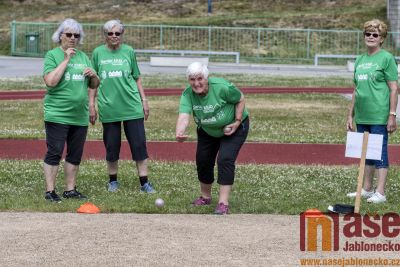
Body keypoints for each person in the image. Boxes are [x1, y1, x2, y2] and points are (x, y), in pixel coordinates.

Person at [176, 62, 249, 215]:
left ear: (206, 78)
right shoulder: (187, 94)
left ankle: (223, 203)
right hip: (207, 130)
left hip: (233, 128)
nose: (196, 83)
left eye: (200, 78)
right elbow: (184, 115)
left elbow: (240, 98)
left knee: (225, 159)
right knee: (203, 160)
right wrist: (180, 132)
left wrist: (237, 121)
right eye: (192, 79)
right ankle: (205, 197)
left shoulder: (221, 87)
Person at [90, 20, 155, 193]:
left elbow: (137, 77)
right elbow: (93, 81)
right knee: (112, 146)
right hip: (109, 107)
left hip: (132, 107)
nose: (113, 36)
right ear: (105, 35)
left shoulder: (129, 51)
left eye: (117, 33)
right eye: (110, 33)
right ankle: (112, 181)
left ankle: (144, 183)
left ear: (121, 35)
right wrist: (91, 104)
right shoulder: (97, 53)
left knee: (139, 145)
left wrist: (144, 100)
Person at [42, 18, 99, 202]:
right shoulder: (52, 55)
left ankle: (70, 189)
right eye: (69, 34)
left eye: (77, 35)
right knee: (55, 152)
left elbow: (95, 84)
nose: (73, 38)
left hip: (79, 115)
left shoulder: (83, 57)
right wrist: (66, 59)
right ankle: (50, 191)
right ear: (60, 36)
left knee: (75, 154)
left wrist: (94, 75)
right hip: (58, 114)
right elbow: (51, 82)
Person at [346, 19, 398, 204]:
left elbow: (393, 88)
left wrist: (392, 115)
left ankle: (381, 193)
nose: (370, 37)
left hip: (379, 115)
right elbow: (356, 89)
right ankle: (367, 189)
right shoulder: (360, 59)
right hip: (362, 115)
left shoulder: (386, 58)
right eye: (367, 34)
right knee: (366, 152)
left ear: (381, 38)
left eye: (375, 34)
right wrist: (350, 114)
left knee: (379, 152)